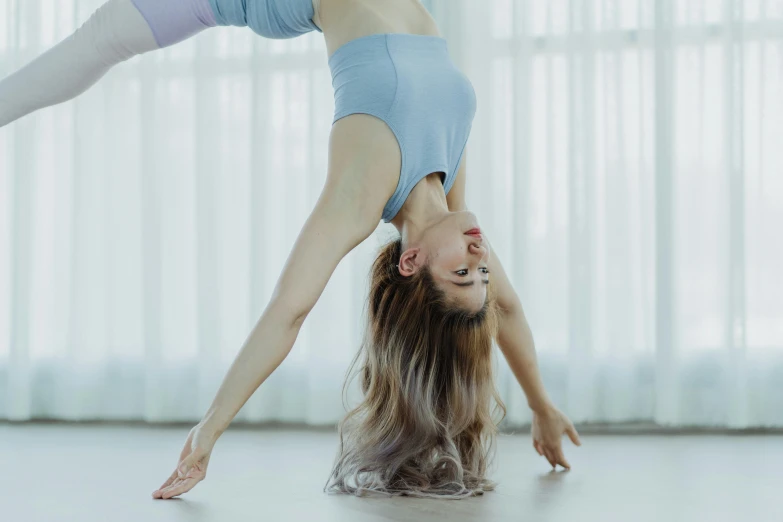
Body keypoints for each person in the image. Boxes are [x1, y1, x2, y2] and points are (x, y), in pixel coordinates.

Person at [0, 0, 581, 500]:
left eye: (464, 271)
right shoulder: (447, 178)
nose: (482, 255)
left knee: (101, 39)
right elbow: (505, 309)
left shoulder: (363, 190)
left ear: (411, 261)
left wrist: (208, 431)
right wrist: (542, 405)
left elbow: (289, 311)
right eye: (483, 270)